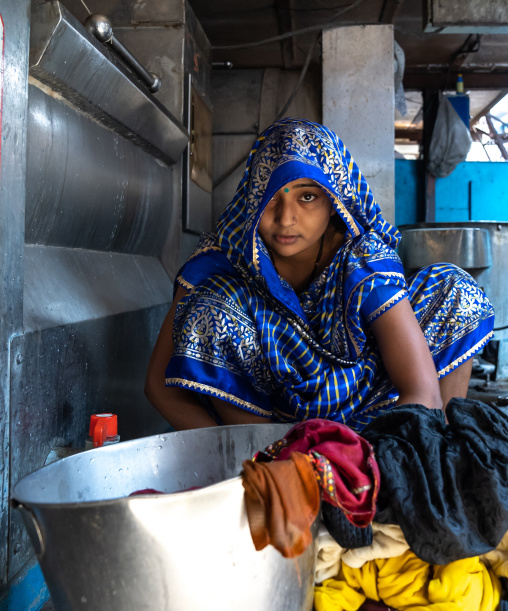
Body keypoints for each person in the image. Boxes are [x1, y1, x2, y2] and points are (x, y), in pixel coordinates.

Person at [145, 118, 494, 432]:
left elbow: (421, 392)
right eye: (271, 198)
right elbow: (159, 386)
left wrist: (360, 464)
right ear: (253, 199)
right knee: (214, 302)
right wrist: (241, 460)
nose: (285, 218)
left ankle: (440, 452)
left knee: (454, 288)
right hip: (271, 431)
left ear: (334, 202)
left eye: (307, 197)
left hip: (372, 422)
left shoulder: (360, 257)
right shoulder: (220, 261)